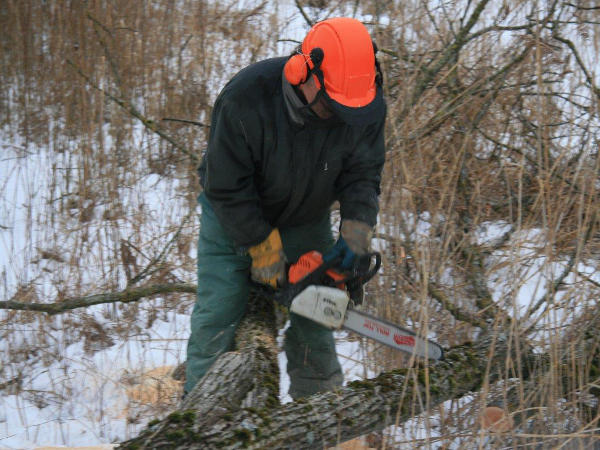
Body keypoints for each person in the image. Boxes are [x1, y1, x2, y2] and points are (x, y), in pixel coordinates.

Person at [185, 17, 386, 399]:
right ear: (302, 71)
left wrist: (354, 239)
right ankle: (200, 417)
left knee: (319, 311)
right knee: (218, 315)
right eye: (332, 106)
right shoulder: (245, 99)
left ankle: (319, 415)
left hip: (305, 218)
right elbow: (227, 189)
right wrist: (268, 259)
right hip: (231, 218)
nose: (342, 118)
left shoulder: (363, 102)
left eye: (351, 110)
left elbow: (363, 175)